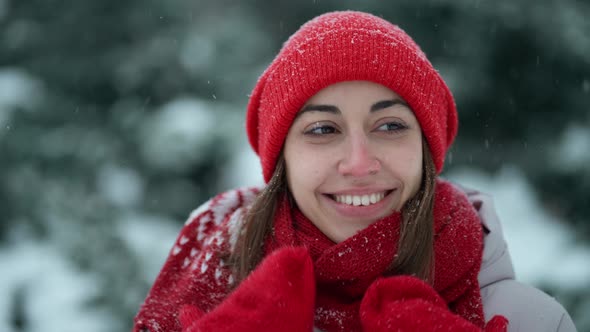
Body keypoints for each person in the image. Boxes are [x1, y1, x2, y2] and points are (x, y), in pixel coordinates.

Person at [133, 11, 576, 332]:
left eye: (390, 125)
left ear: (425, 148)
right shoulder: (205, 293)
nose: (360, 163)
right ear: (282, 159)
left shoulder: (531, 321)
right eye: (323, 129)